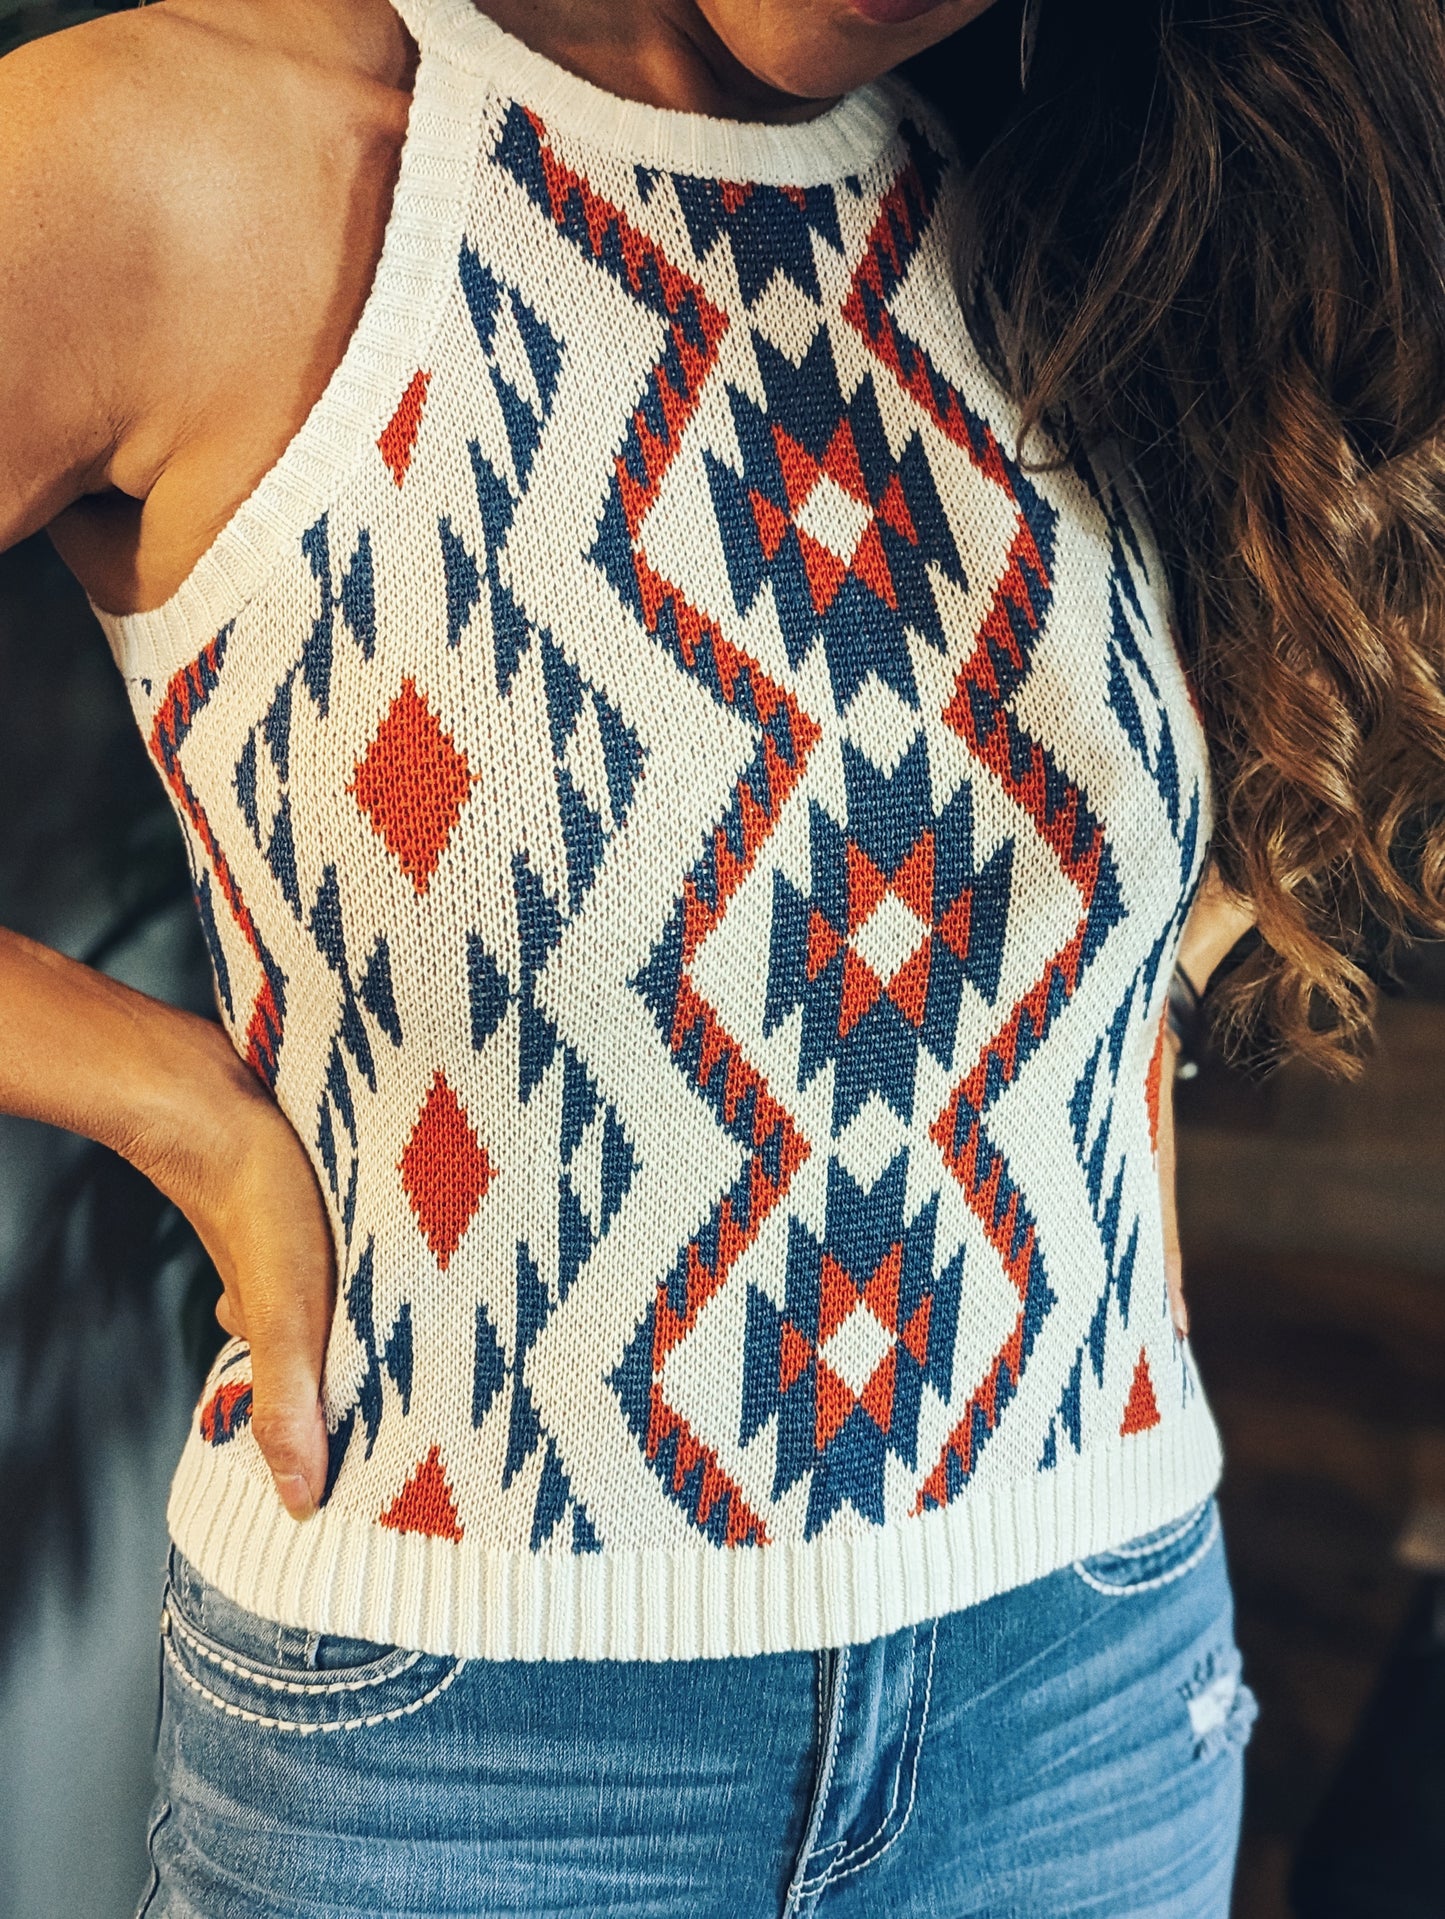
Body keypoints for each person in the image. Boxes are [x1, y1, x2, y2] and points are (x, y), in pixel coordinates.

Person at [2, 0, 1440, 1913]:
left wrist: (1118, 1005)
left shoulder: (1068, 193)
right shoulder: (178, 149)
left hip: (1084, 1686)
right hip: (473, 1762)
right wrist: (174, 1099)